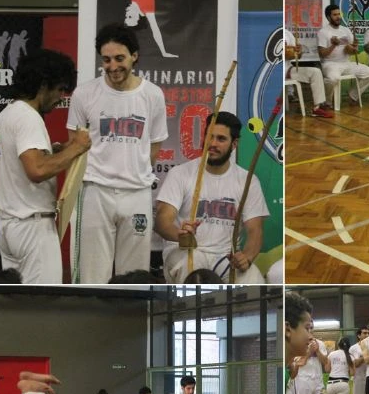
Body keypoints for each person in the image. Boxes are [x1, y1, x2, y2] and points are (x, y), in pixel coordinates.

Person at [67, 24, 168, 283]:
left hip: (137, 194)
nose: (113, 66)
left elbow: (154, 148)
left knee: (134, 276)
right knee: (92, 275)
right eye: (106, 59)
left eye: (119, 58)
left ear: (134, 55)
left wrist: (132, 172)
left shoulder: (153, 95)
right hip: (94, 191)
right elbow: (74, 146)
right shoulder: (85, 94)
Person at [0, 49, 89, 284]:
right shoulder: (28, 117)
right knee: (44, 302)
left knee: (20, 303)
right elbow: (37, 170)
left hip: (9, 227)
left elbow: (21, 161)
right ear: (44, 84)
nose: (61, 97)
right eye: (60, 89)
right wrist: (77, 147)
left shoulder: (6, 115)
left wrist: (55, 151)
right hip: (31, 228)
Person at [155, 110, 269, 284]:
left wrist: (247, 256)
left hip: (225, 256)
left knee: (254, 281)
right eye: (210, 136)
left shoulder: (248, 181)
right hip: (186, 251)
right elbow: (162, 222)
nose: (213, 143)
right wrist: (180, 234)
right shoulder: (180, 174)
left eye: (221, 139)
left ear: (234, 144)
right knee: (195, 273)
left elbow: (255, 230)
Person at [317, 4, 369, 108]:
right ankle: (327, 102)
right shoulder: (323, 32)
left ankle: (353, 95)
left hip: (346, 63)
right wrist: (333, 45)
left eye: (339, 14)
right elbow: (322, 53)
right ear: (328, 17)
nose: (338, 17)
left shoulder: (346, 30)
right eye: (335, 15)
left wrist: (354, 48)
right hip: (330, 64)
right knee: (332, 79)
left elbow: (352, 51)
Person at [284, 27, 334, 119]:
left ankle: (317, 107)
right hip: (271, 72)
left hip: (286, 69)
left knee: (315, 72)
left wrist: (298, 51)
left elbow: (296, 56)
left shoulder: (287, 33)